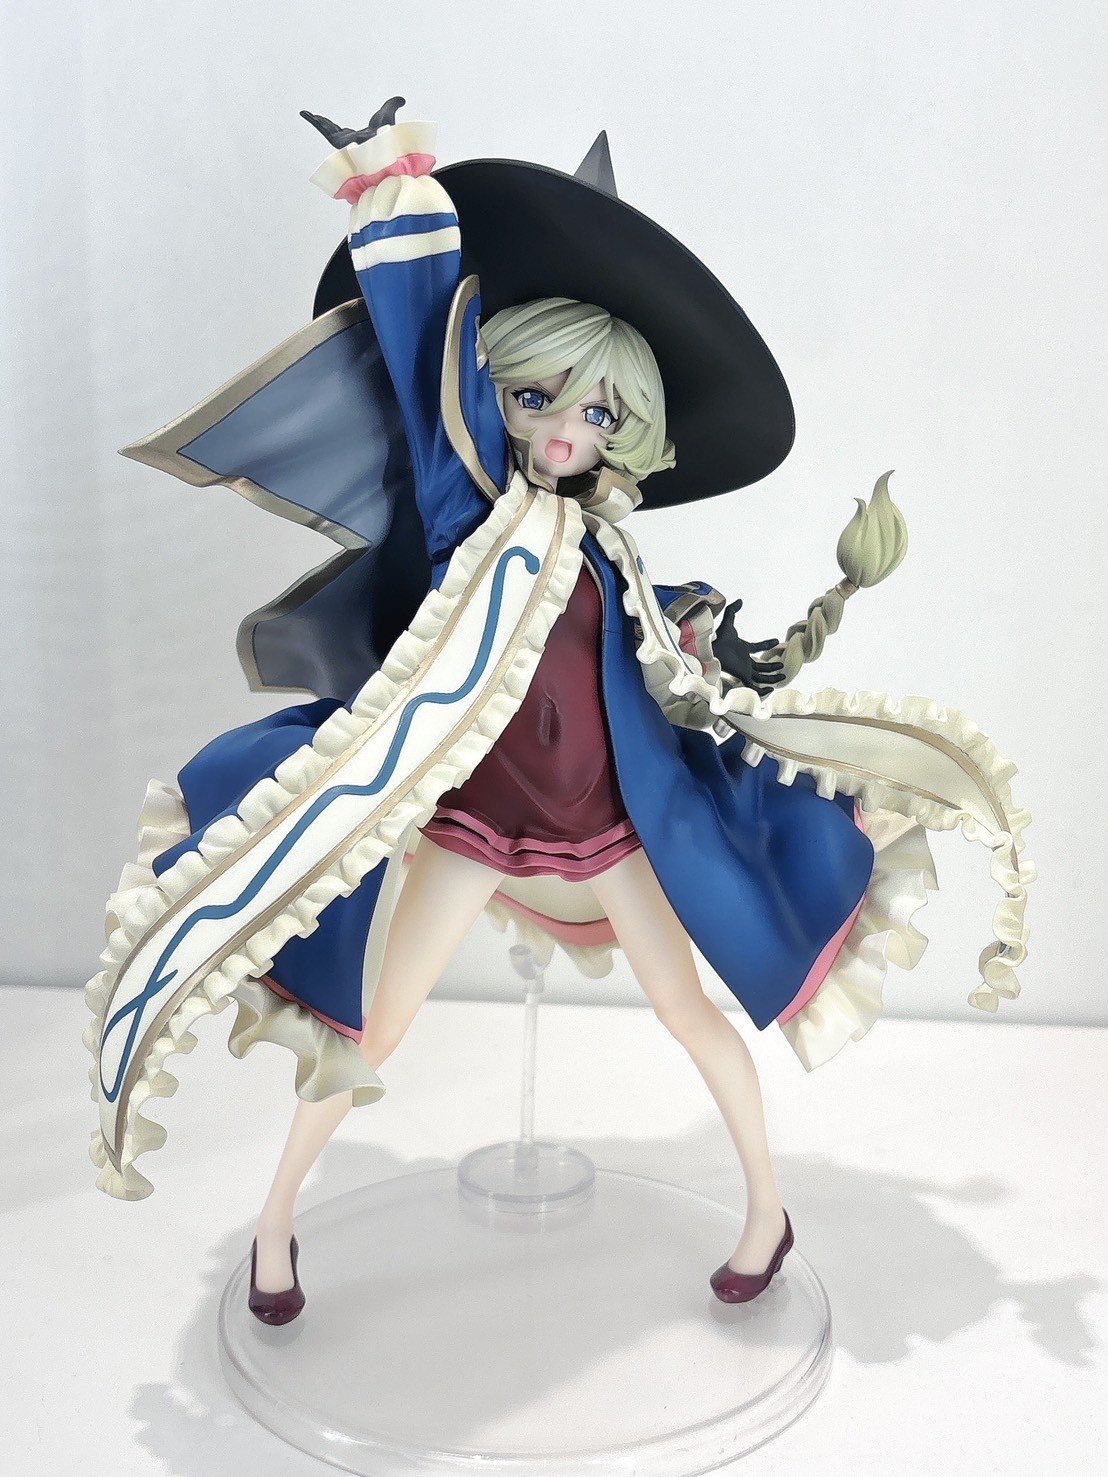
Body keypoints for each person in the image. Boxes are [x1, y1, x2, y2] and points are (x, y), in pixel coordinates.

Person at [86, 101, 1031, 1323]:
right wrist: (391, 196)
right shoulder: (471, 514)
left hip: (614, 826)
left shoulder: (611, 554)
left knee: (687, 1010)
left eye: (598, 415)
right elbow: (424, 344)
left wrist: (760, 634)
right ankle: (274, 1227)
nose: (565, 432)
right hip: (475, 816)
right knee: (373, 1025)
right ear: (495, 394)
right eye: (537, 397)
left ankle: (764, 1208)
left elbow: (666, 653)